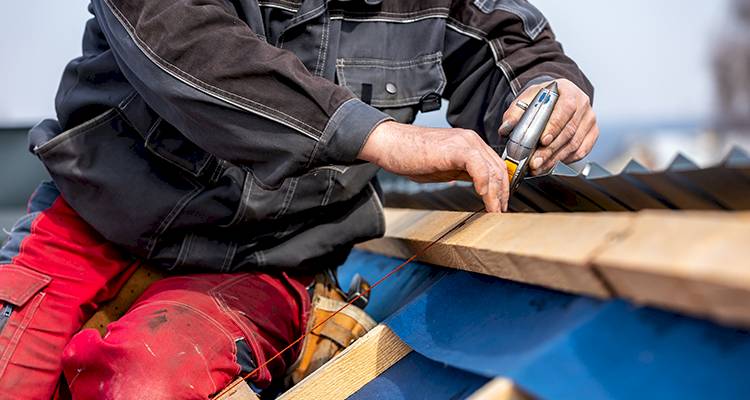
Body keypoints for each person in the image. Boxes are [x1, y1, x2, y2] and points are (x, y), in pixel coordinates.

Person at [0, 0, 598, 398]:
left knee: (145, 382)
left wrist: (547, 91)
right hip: (92, 222)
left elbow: (509, 41)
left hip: (262, 260)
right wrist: (379, 136)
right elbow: (187, 45)